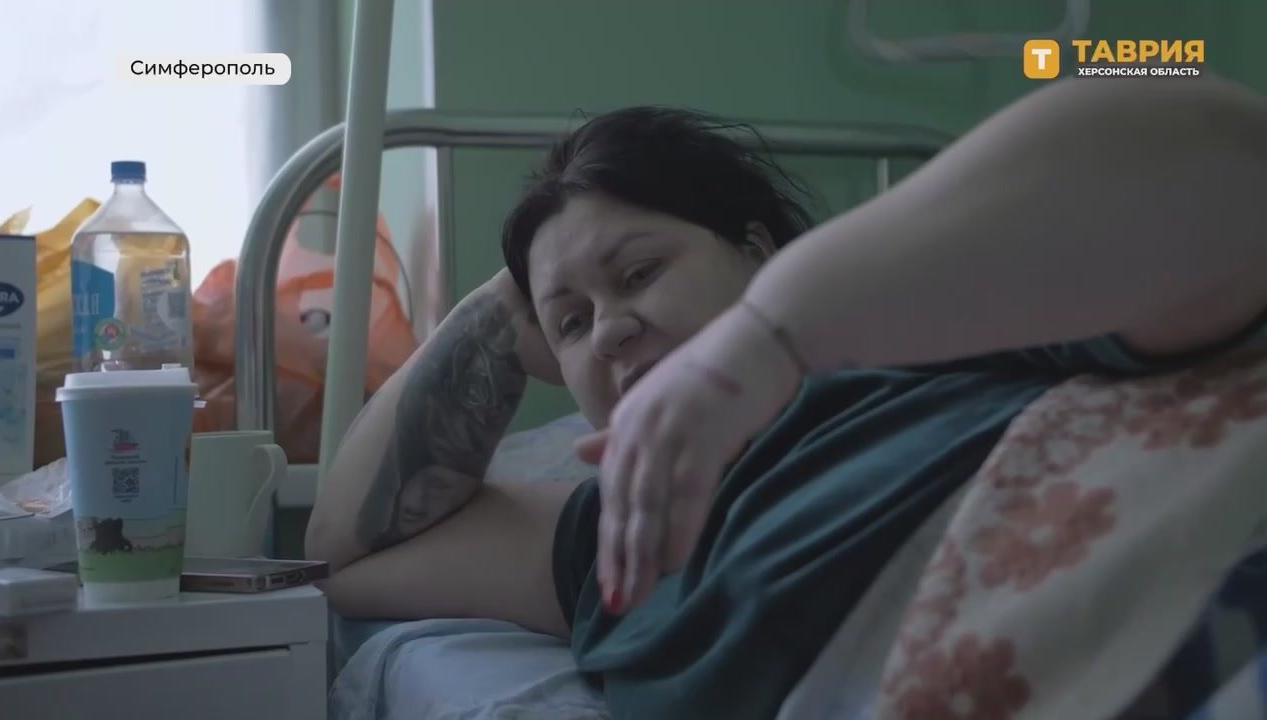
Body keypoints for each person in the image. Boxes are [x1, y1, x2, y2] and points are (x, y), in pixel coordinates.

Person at [305, 75, 1267, 719]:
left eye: (641, 273)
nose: (611, 330)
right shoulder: (613, 543)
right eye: (571, 323)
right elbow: (346, 555)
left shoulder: (933, 341)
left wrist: (778, 331)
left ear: (757, 253)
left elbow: (1229, 165)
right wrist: (505, 295)